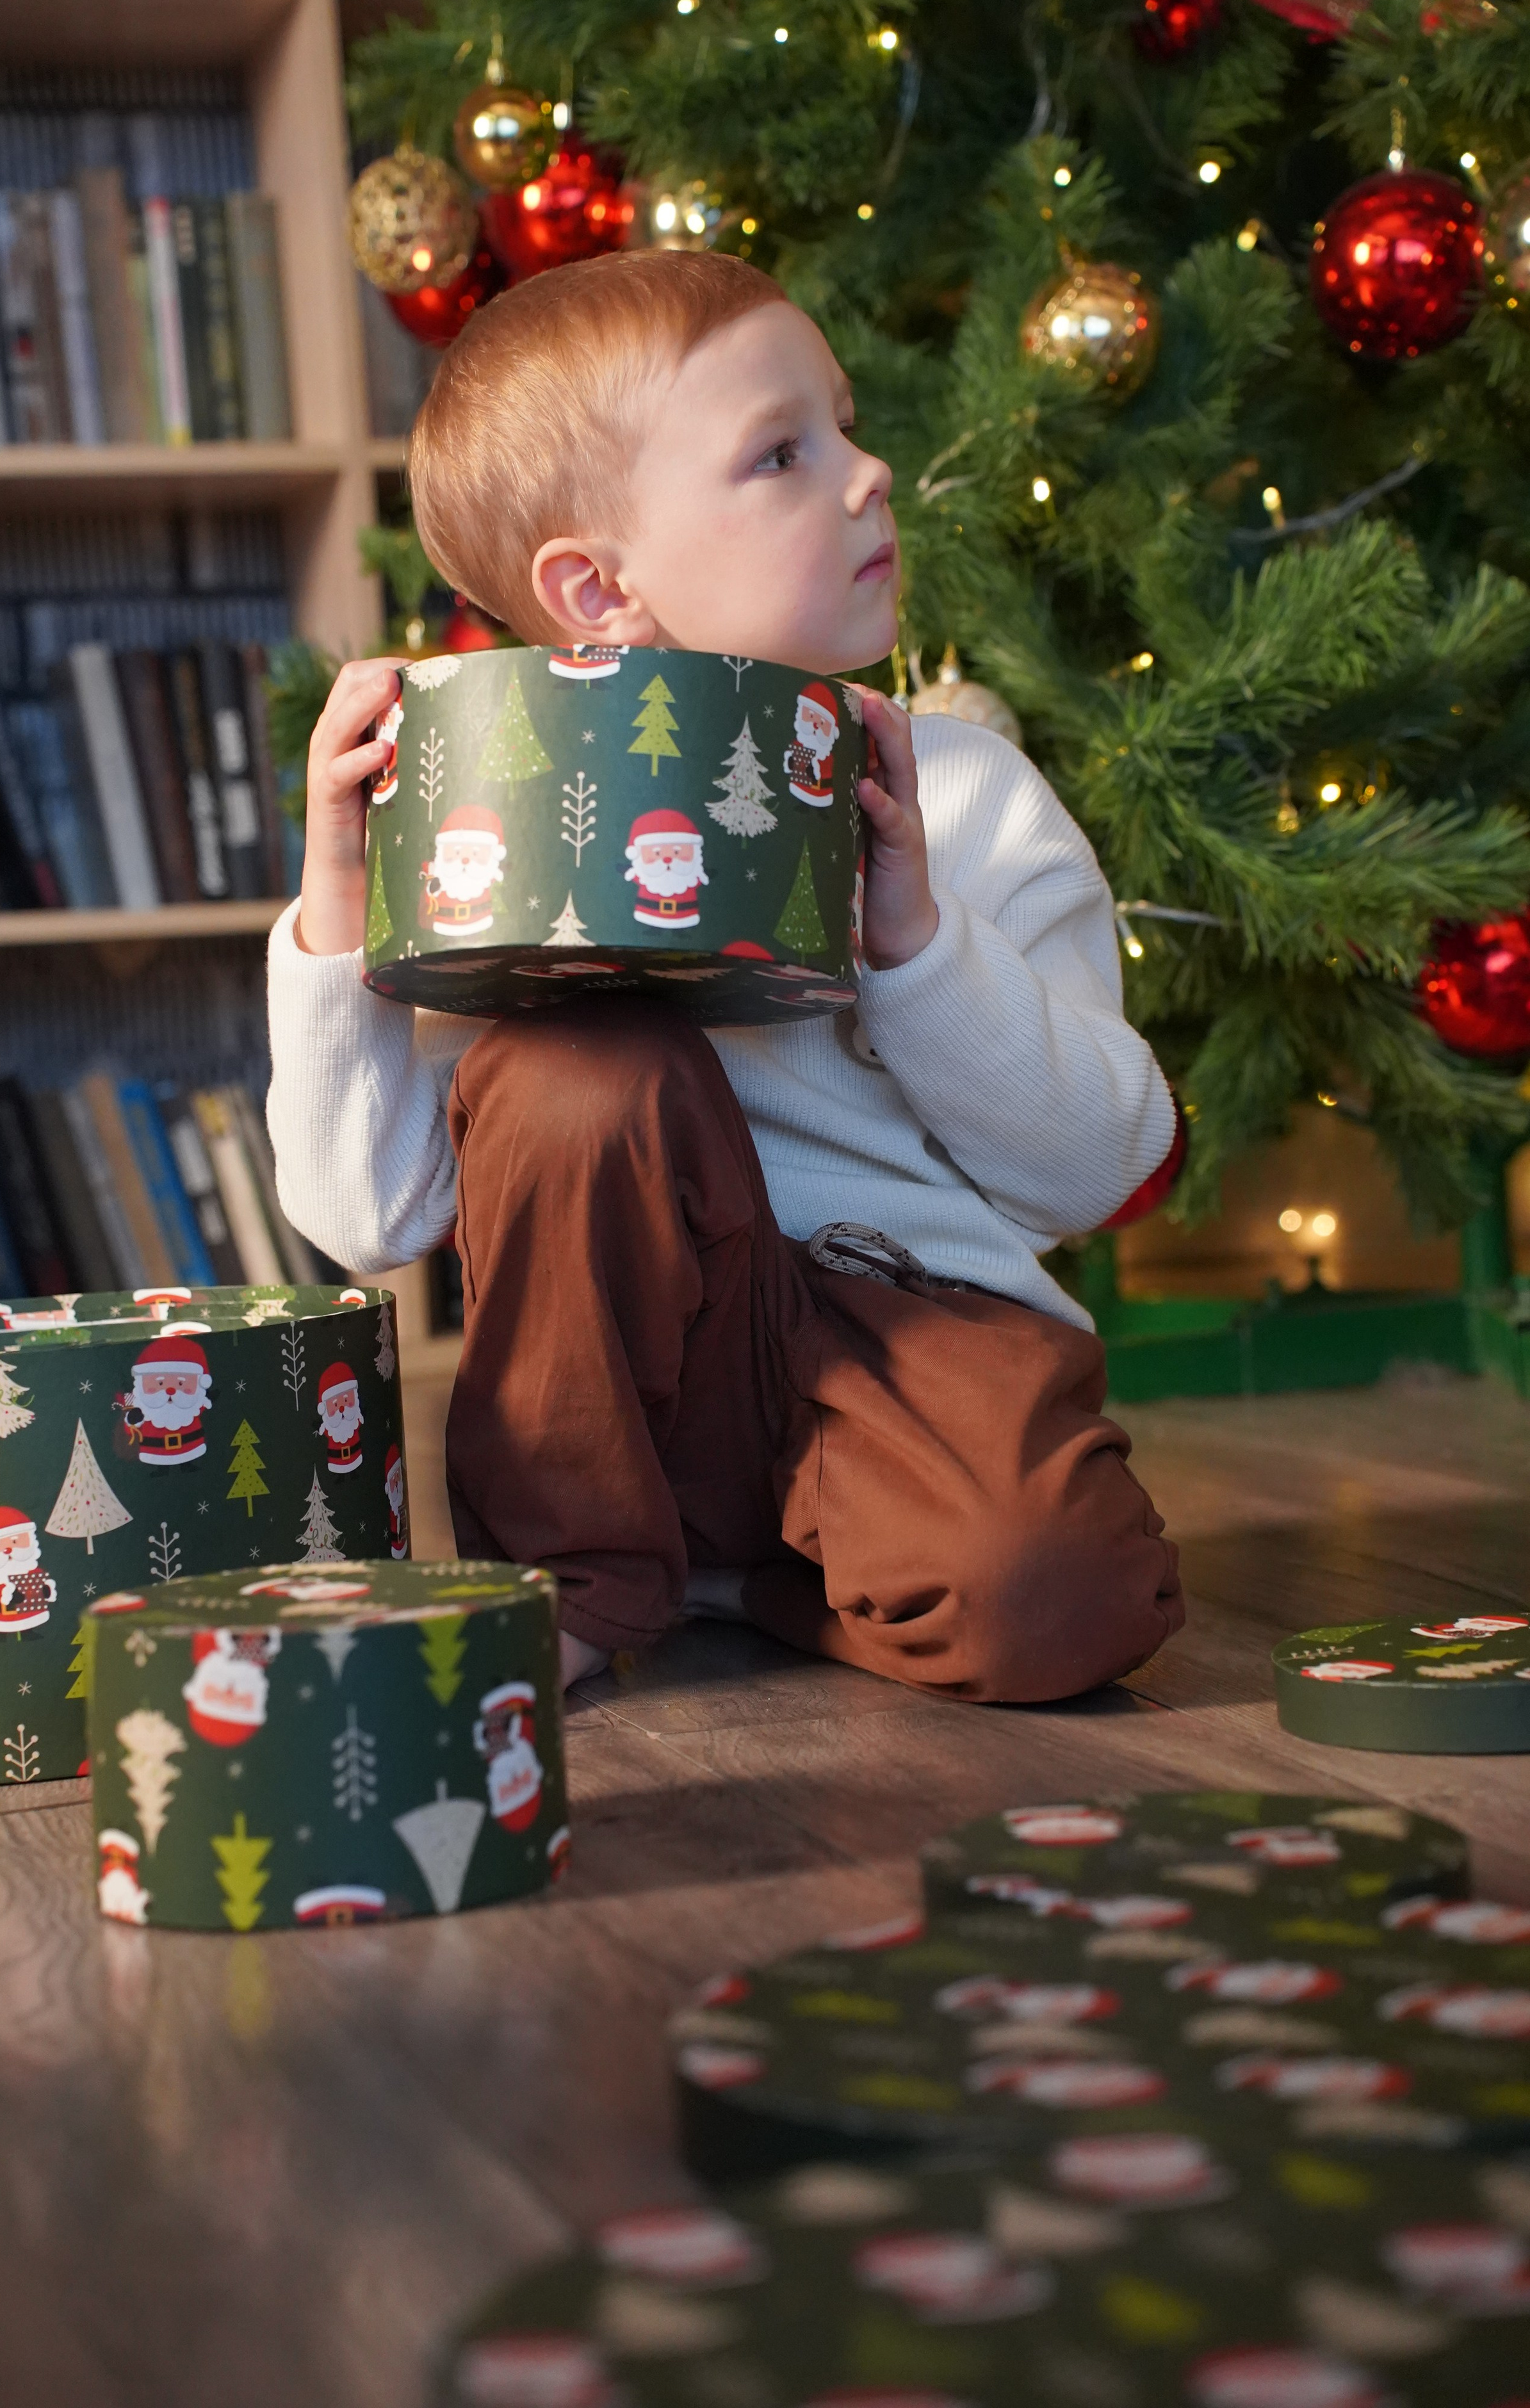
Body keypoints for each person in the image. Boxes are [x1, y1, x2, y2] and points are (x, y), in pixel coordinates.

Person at [268, 250, 1184, 1702]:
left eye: (844, 422)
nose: (868, 472)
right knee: (574, 1071)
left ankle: (745, 1581)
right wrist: (334, 912)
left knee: (1060, 1604)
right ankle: (578, 1576)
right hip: (630, 1378)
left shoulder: (965, 792)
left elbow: (1093, 1168)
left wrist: (921, 950)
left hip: (910, 1343)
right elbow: (371, 1216)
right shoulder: (502, 829)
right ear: (598, 591)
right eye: (781, 453)